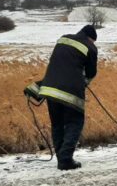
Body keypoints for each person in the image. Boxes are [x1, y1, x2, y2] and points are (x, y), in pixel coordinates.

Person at [39, 25, 98, 170]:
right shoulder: (90, 47)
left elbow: (59, 63)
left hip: (50, 88)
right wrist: (83, 82)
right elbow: (91, 73)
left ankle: (61, 158)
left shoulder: (63, 39)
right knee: (75, 122)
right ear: (91, 38)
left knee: (57, 124)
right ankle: (65, 159)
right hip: (71, 90)